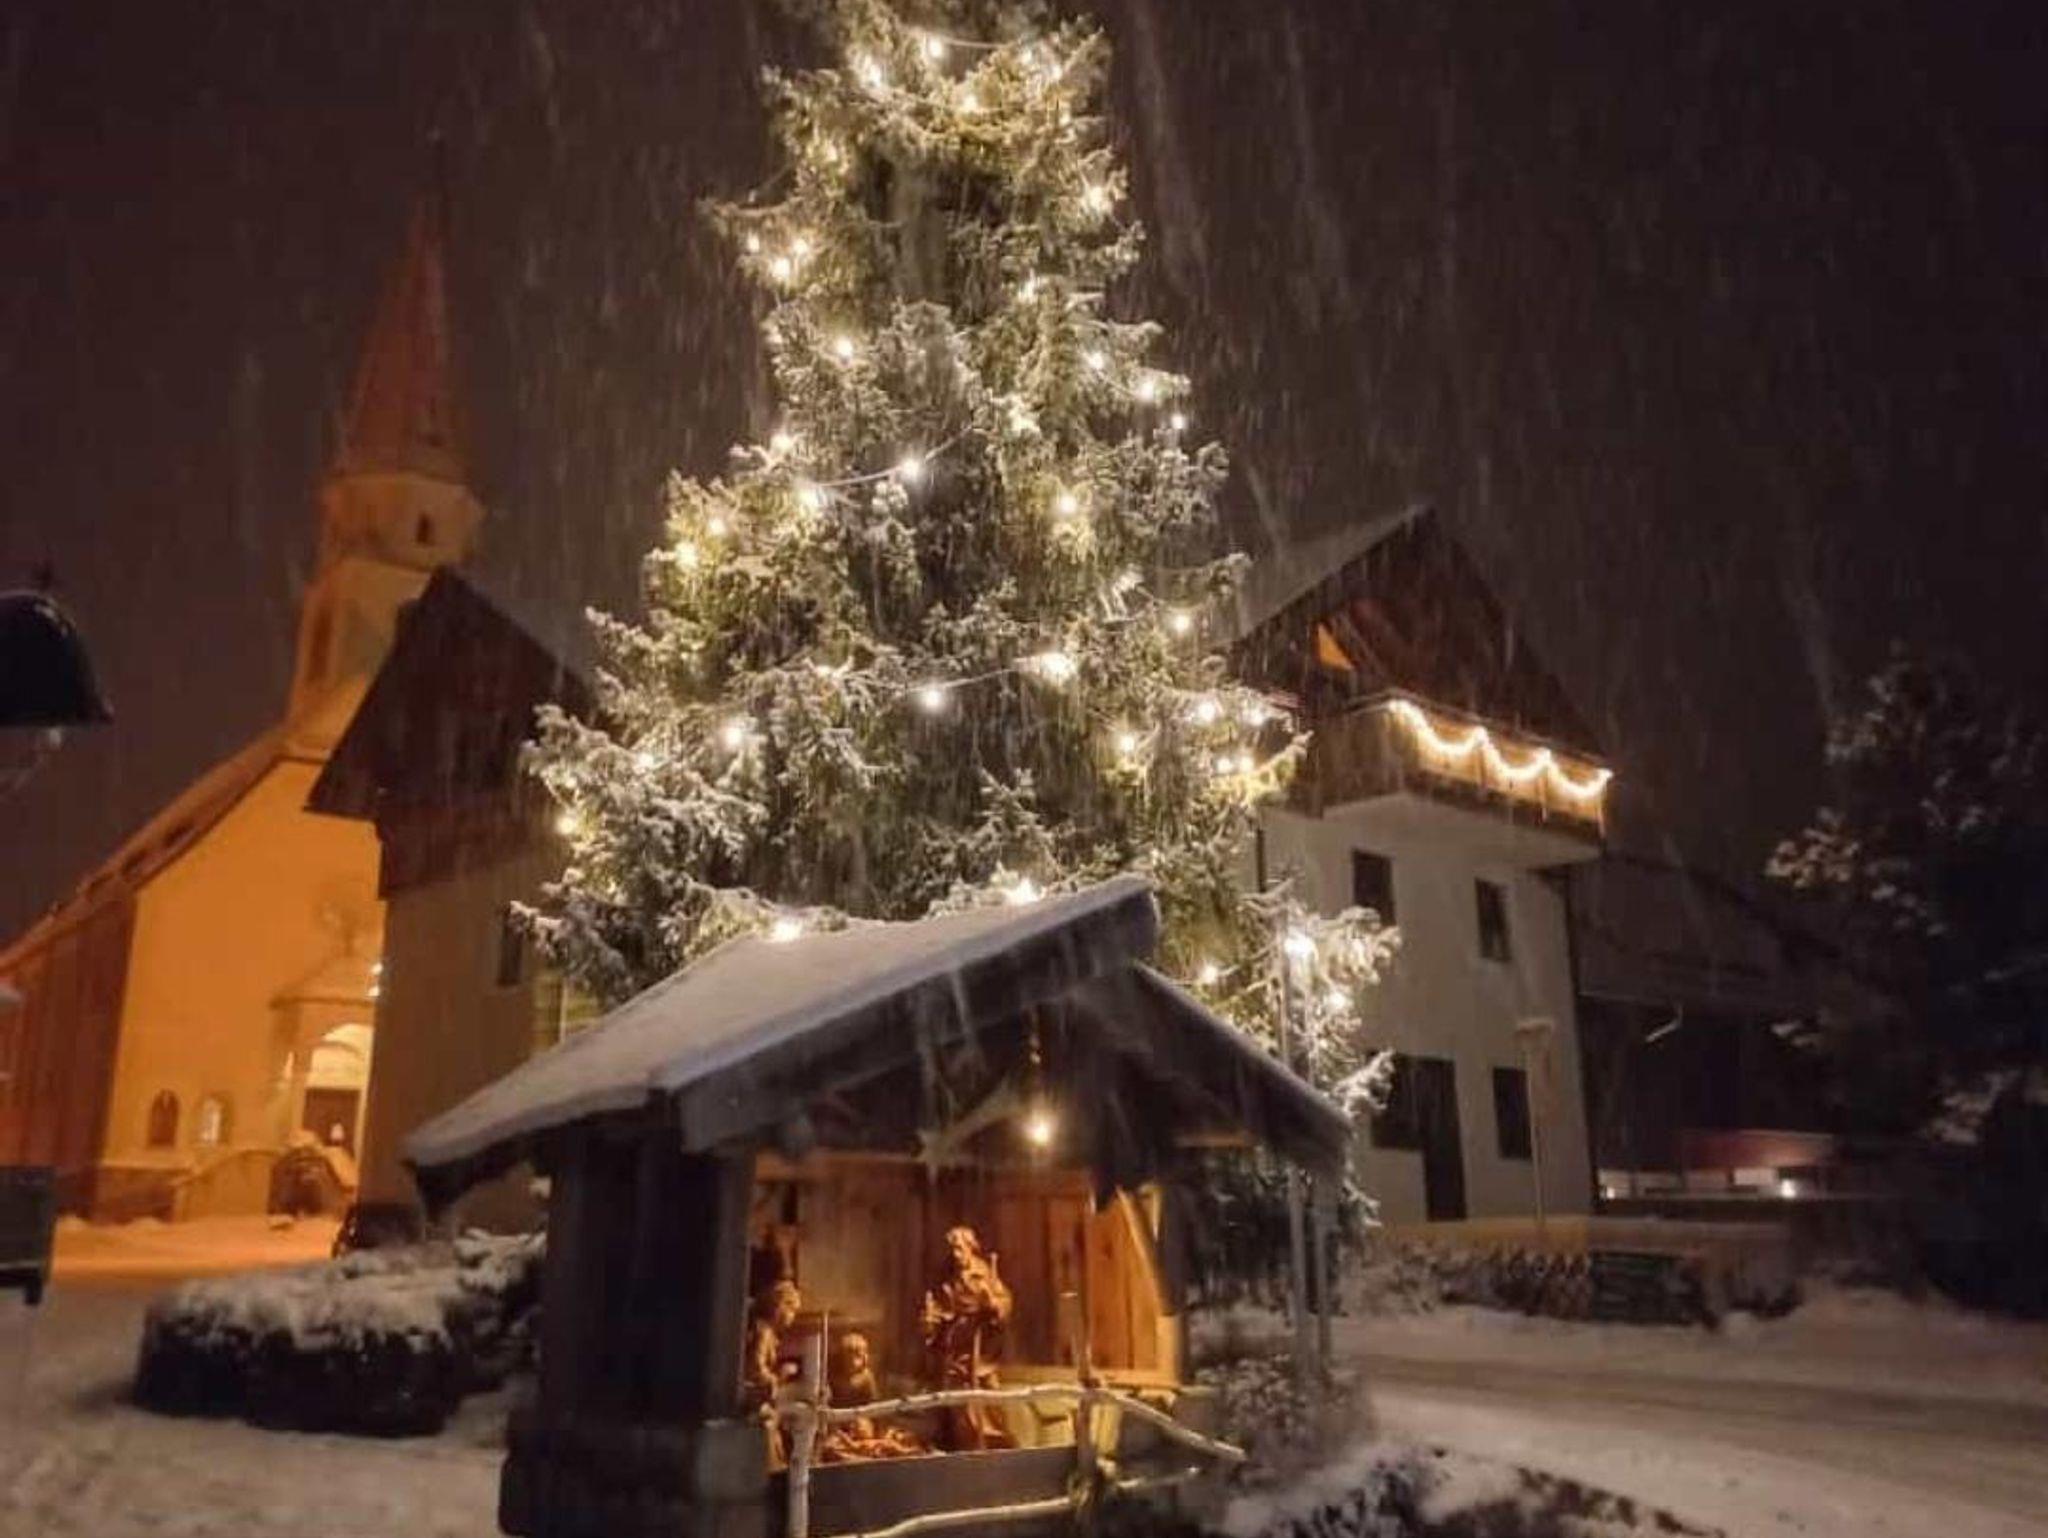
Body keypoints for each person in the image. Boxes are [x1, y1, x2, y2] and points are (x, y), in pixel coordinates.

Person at [919, 1225, 1015, 1450]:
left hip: (981, 1350)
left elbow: (1003, 1303)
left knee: (989, 1400)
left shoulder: (985, 1274)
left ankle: (997, 1445)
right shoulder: (946, 1280)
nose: (956, 1254)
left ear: (971, 1248)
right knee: (959, 1406)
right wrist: (930, 1322)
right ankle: (965, 1448)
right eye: (952, 1249)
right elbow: (937, 1311)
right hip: (955, 1350)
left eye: (960, 1248)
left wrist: (993, 1304)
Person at [821, 1331, 924, 1462]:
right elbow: (828, 1406)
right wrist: (838, 1426)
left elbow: (873, 1403)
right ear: (843, 1357)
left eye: (861, 1354)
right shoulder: (833, 1379)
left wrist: (871, 1423)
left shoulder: (867, 1377)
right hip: (839, 1421)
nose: (856, 1360)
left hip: (862, 1419)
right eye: (852, 1356)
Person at [741, 1278, 802, 1468]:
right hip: (754, 1408)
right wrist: (780, 1376)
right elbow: (755, 1369)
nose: (793, 1318)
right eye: (792, 1311)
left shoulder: (765, 1331)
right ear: (781, 1308)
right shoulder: (764, 1333)